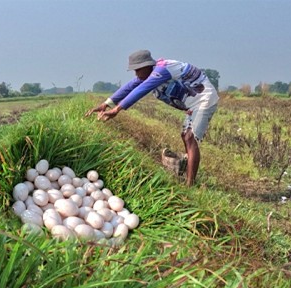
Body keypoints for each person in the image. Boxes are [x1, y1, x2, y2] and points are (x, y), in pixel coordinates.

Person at [88, 49, 219, 187]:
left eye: (137, 70)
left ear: (146, 66)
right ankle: (187, 169)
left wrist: (117, 109)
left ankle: (190, 184)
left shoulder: (162, 70)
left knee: (190, 137)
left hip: (204, 100)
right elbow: (129, 87)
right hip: (193, 103)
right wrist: (106, 104)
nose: (136, 74)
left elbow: (141, 89)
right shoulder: (150, 74)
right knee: (185, 136)